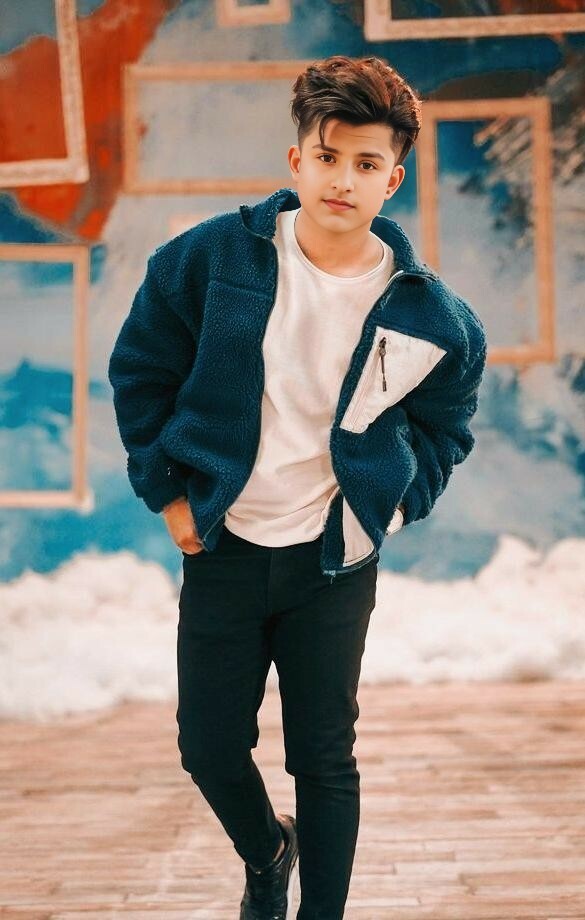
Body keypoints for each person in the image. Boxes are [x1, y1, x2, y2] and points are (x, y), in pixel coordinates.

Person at [108, 55, 487, 920]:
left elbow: (446, 426)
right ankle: (266, 850)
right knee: (207, 747)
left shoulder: (429, 315)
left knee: (323, 757)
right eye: (327, 157)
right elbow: (141, 371)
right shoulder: (211, 260)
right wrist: (169, 493)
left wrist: (392, 504)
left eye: (364, 164)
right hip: (226, 543)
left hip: (331, 563)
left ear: (392, 179)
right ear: (297, 161)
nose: (342, 180)